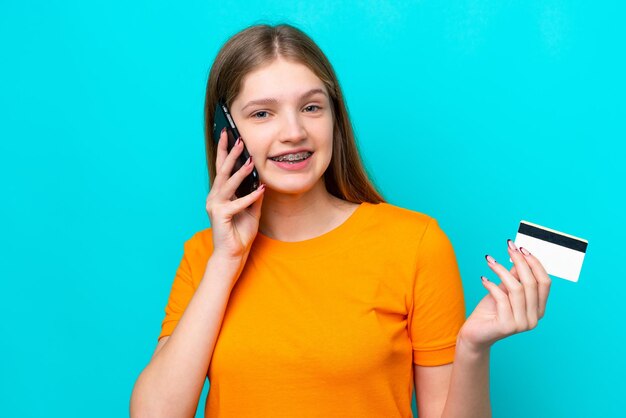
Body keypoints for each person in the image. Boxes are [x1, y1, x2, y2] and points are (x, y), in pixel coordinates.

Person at [130, 23, 552, 418]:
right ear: (227, 132)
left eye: (311, 107)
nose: (294, 131)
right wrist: (226, 261)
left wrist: (473, 349)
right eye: (262, 114)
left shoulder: (415, 243)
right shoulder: (205, 256)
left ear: (335, 118)